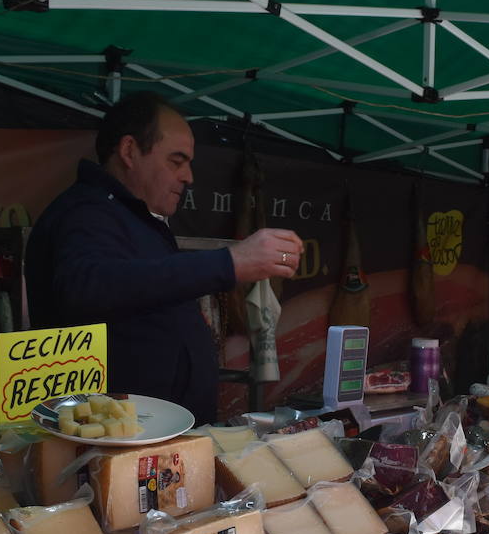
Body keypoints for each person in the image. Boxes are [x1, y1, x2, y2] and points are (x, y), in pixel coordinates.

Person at [25, 91, 302, 424]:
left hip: (159, 437)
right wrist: (229, 263)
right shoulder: (86, 213)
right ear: (129, 151)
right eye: (176, 160)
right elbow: (88, 285)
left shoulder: (131, 218)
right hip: (116, 441)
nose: (188, 176)